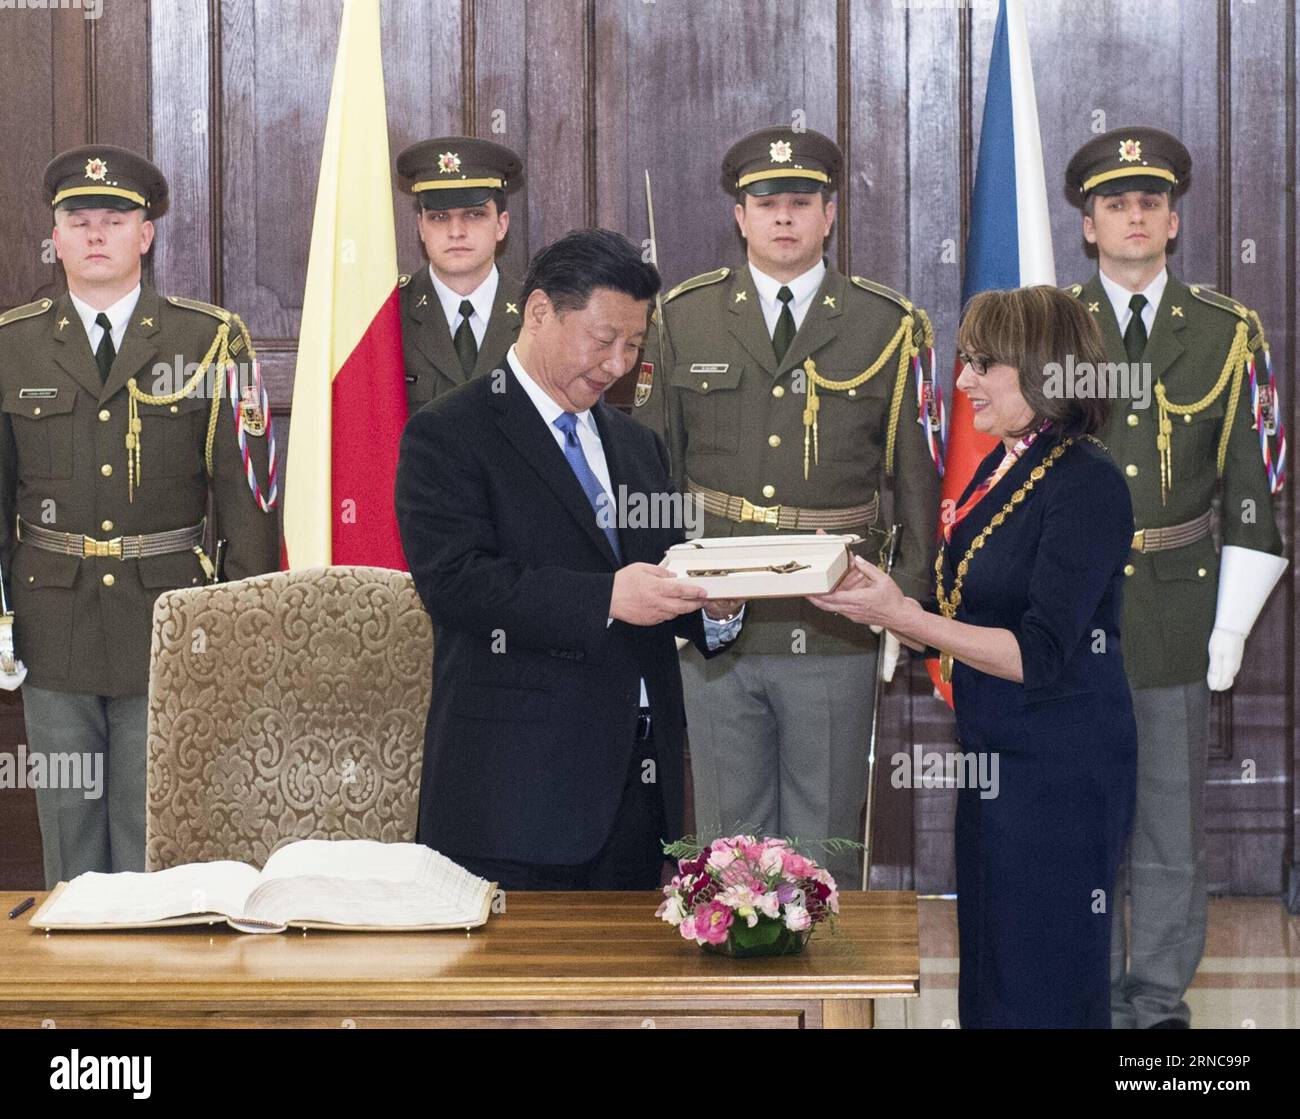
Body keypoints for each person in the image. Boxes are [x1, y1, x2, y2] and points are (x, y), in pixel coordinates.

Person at [809, 286, 1137, 1028]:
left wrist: (905, 616)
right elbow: (972, 617)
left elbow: (1039, 654)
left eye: (984, 364)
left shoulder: (1085, 483)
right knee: (994, 975)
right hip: (999, 764)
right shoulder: (1010, 468)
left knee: (1042, 981)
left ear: (1043, 367)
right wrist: (891, 604)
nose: (963, 383)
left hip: (1061, 774)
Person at [631, 126, 942, 888]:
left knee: (824, 839)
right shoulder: (682, 316)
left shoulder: (888, 323)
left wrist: (903, 599)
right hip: (716, 616)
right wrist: (658, 593)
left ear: (829, 214)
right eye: (765, 202)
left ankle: (820, 1004)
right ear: (739, 215)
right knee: (727, 840)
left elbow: (918, 480)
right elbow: (649, 466)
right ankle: (743, 1003)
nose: (782, 217)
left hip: (833, 615)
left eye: (800, 201)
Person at [395, 228, 742, 891]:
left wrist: (715, 607)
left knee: (627, 995)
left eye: (635, 345)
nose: (618, 364)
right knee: (508, 998)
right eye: (603, 339)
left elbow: (656, 577)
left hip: (636, 794)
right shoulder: (450, 433)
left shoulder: (638, 446)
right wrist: (606, 597)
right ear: (540, 313)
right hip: (513, 800)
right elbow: (457, 583)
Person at [0, 145, 279, 887]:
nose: (96, 234)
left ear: (146, 235)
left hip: (171, 621)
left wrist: (241, 622)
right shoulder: (12, 343)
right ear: (54, 237)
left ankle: (148, 998)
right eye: (78, 220)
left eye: (115, 219)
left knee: (157, 831)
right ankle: (75, 997)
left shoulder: (207, 339)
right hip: (50, 619)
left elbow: (247, 500)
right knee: (69, 836)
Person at [1063, 127, 1286, 1029]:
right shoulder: (1045, 323)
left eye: (1149, 201)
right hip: (1067, 608)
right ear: (1088, 227)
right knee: (1074, 817)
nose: (1135, 216)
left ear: (1175, 220)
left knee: (1165, 822)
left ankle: (1154, 1001)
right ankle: (1077, 984)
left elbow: (1252, 488)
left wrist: (1230, 623)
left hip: (1176, 605)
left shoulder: (1229, 333)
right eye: (1116, 203)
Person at [394, 136, 524, 409]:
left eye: (474, 214)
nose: (456, 232)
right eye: (439, 217)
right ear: (420, 227)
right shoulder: (390, 316)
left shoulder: (538, 313)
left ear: (501, 225)